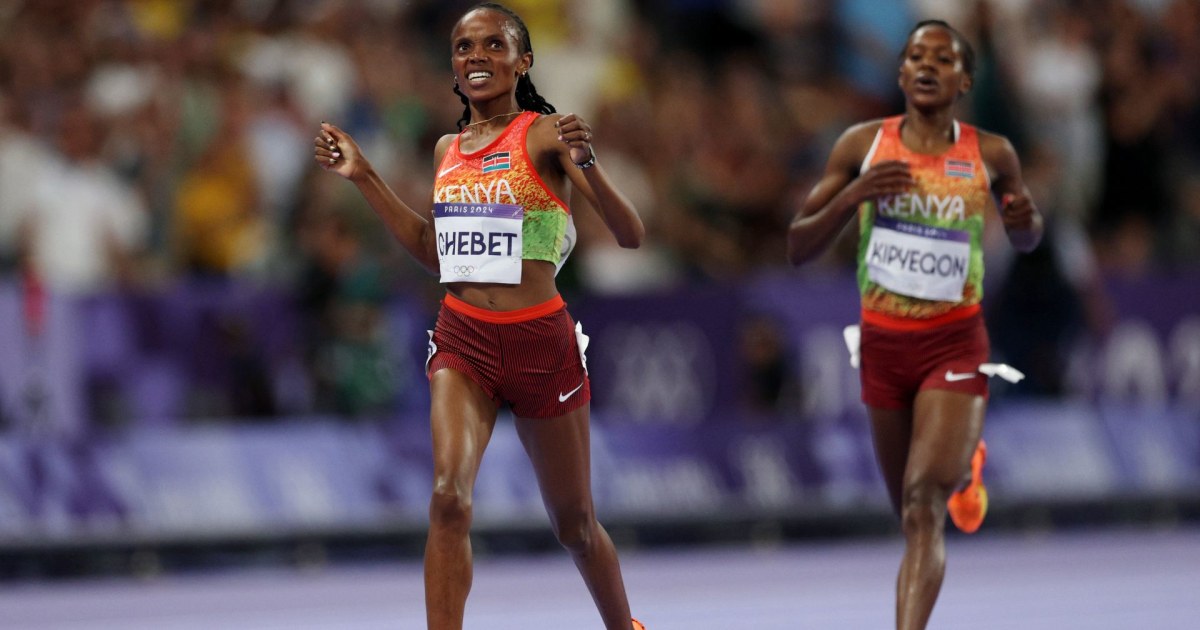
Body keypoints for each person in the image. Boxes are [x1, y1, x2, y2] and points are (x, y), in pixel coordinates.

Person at [313, 4, 647, 629]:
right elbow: (433, 251)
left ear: (523, 62)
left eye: (494, 45)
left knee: (575, 526)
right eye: (464, 46)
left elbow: (630, 234)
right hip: (464, 339)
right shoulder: (447, 149)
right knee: (447, 499)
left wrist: (592, 165)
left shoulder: (546, 135)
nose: (477, 57)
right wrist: (365, 177)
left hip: (541, 344)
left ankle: (624, 624)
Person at [786, 20, 1043, 630]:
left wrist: (1027, 221)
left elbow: (1027, 235)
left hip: (954, 341)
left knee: (924, 504)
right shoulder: (861, 146)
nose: (927, 65)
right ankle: (964, 463)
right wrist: (855, 196)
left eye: (943, 58)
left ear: (964, 79)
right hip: (883, 346)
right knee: (907, 507)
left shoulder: (992, 153)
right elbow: (798, 246)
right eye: (916, 56)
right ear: (900, 73)